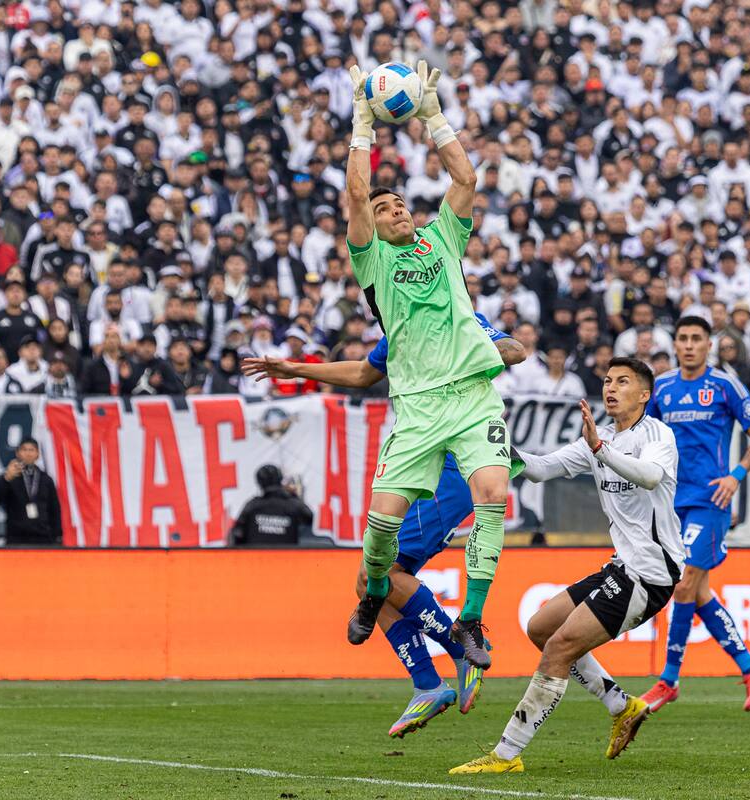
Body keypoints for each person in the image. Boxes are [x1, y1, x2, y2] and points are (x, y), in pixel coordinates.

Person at [242, 310, 525, 736]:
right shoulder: (400, 326)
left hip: (452, 467)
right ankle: (430, 681)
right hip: (420, 463)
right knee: (370, 581)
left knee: (381, 576)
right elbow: (361, 373)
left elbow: (514, 350)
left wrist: (460, 350)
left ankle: (456, 651)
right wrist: (293, 368)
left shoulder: (457, 315)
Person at [343, 60, 510, 667]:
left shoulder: (442, 239)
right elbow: (357, 193)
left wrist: (435, 118)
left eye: (400, 206)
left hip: (471, 395)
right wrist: (363, 124)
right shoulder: (375, 265)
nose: (397, 212)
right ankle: (377, 591)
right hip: (416, 405)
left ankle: (469, 622)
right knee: (381, 529)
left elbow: (465, 178)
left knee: (493, 494)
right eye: (387, 210)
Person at [450, 359, 682, 774]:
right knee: (540, 628)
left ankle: (506, 755)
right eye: (608, 381)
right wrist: (495, 449)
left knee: (559, 648)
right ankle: (621, 705)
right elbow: (540, 469)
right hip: (621, 567)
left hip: (651, 574)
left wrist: (599, 450)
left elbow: (649, 477)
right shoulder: (600, 437)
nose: (611, 388)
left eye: (623, 382)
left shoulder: (657, 435)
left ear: (644, 394)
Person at [642, 316, 750, 712]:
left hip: (711, 500)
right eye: (682, 339)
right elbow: (647, 439)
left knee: (681, 585)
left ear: (708, 345)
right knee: (698, 593)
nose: (689, 345)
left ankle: (668, 680)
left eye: (696, 339)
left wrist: (734, 477)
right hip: (670, 502)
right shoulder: (662, 387)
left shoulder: (724, 385)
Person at [0, 438, 63, 545]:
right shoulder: (10, 477)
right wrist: (6, 479)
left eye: (31, 450)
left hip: (43, 537)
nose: (28, 453)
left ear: (37, 454)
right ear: (17, 453)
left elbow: (54, 509)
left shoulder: (46, 479)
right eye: (24, 450)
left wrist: (57, 535)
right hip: (16, 537)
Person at [230, 465, 314, 546]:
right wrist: (292, 495)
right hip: (287, 558)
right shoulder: (293, 504)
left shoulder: (252, 506)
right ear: (280, 479)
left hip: (256, 558)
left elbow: (237, 535)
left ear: (259, 483)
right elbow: (309, 518)